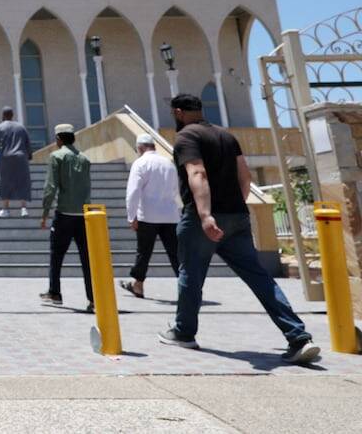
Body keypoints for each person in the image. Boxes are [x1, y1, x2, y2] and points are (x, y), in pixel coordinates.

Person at [160, 94, 320, 364]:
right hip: (237, 216)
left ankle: (184, 332)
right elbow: (245, 176)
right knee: (259, 277)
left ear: (178, 112)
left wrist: (206, 215)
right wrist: (236, 206)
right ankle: (298, 337)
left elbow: (197, 173)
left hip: (203, 219)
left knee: (191, 275)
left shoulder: (187, 137)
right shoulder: (226, 136)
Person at [119, 133, 181, 299]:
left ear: (139, 148)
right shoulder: (168, 163)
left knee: (144, 252)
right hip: (170, 215)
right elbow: (175, 189)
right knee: (176, 253)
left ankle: (138, 285)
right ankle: (188, 285)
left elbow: (133, 192)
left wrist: (131, 216)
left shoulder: (140, 163)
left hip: (147, 215)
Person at [39, 124, 94, 312]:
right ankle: (93, 298)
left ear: (59, 139)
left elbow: (50, 187)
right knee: (87, 258)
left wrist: (45, 213)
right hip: (84, 215)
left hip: (64, 214)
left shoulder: (56, 156)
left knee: (56, 255)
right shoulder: (85, 159)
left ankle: (55, 292)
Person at [0, 107, 32, 217]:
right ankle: (23, 209)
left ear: (3, 115)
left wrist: (1, 150)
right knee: (23, 182)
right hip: (21, 157)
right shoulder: (21, 127)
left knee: (5, 182)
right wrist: (29, 156)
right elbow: (28, 143)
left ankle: (5, 209)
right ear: (12, 115)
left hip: (6, 158)